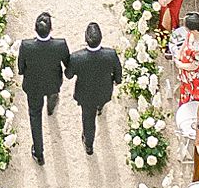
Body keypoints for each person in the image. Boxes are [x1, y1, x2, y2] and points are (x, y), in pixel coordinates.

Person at [17, 12, 71, 166]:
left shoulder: (26, 45)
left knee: (35, 116)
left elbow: (21, 68)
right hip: (53, 83)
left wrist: (24, 72)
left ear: (35, 29)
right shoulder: (60, 44)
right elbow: (67, 63)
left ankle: (39, 153)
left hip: (33, 86)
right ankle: (50, 108)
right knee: (53, 95)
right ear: (51, 29)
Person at [68, 21, 123, 153]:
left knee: (88, 120)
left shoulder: (77, 57)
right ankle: (100, 108)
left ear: (85, 39)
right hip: (104, 91)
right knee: (100, 104)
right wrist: (117, 81)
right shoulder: (111, 54)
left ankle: (89, 144)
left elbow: (69, 75)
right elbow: (118, 71)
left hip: (85, 95)